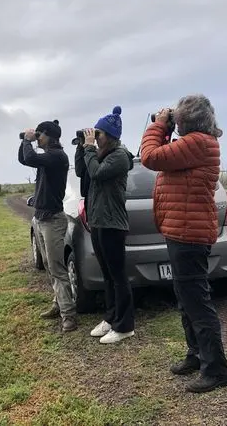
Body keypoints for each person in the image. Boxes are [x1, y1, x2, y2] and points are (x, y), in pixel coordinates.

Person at [139, 94, 227, 393]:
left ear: (186, 119)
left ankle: (216, 370)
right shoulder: (193, 144)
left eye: (177, 116)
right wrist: (164, 128)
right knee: (185, 298)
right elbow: (162, 153)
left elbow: (150, 157)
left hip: (189, 233)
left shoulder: (198, 143)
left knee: (197, 303)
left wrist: (158, 126)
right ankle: (196, 355)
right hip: (182, 230)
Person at [75, 106, 135, 344]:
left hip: (112, 224)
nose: (95, 138)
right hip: (99, 221)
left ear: (109, 136)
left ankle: (125, 325)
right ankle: (111, 318)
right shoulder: (100, 154)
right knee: (108, 275)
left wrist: (90, 149)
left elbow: (97, 174)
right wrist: (82, 148)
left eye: (98, 134)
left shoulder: (119, 157)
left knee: (119, 276)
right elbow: (83, 171)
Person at [18, 119, 77, 332]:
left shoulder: (57, 156)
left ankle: (68, 314)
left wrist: (27, 139)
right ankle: (58, 304)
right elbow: (25, 159)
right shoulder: (48, 158)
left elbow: (30, 157)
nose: (37, 138)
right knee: (51, 267)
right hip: (41, 218)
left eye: (39, 135)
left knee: (57, 268)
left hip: (53, 220)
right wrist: (24, 141)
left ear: (49, 136)